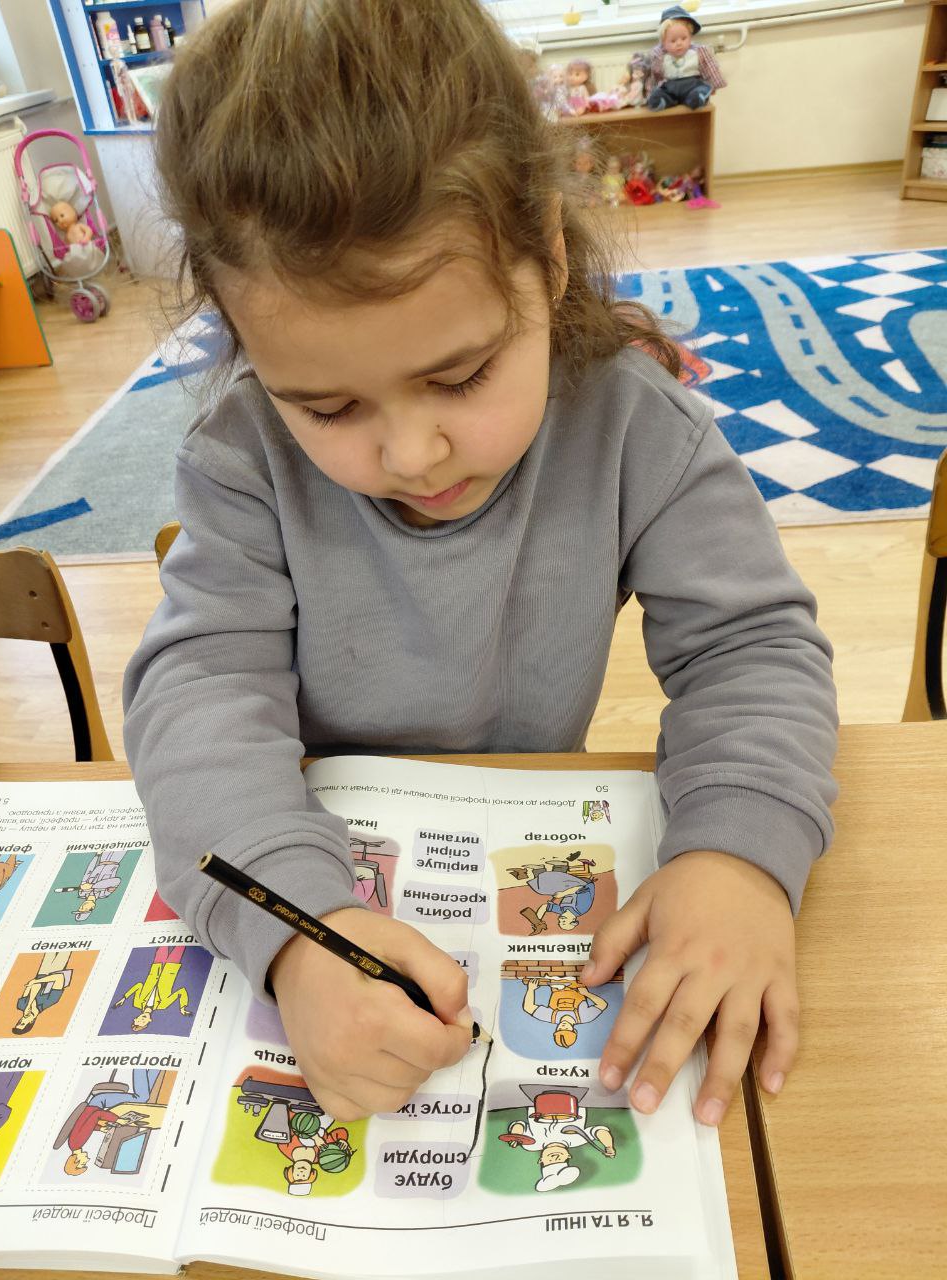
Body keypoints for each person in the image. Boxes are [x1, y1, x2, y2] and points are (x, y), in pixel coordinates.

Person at [123, 0, 837, 1130]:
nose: (412, 455)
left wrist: (739, 856)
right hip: (326, 853)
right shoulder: (242, 457)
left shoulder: (636, 429)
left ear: (546, 253)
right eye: (327, 406)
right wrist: (298, 931)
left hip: (525, 862)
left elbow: (749, 649)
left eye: (460, 378)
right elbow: (199, 688)